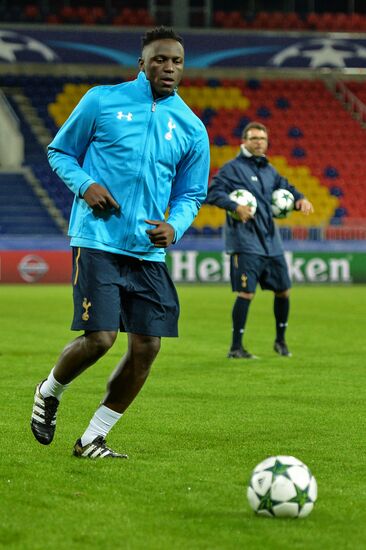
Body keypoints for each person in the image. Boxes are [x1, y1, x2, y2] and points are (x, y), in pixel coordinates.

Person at [30, 26, 210, 458]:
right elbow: (59, 152)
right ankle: (48, 391)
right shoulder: (101, 100)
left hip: (148, 250)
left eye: (177, 62)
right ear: (142, 63)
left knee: (147, 347)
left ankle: (93, 437)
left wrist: (176, 226)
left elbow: (191, 194)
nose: (169, 67)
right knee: (101, 338)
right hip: (98, 239)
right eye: (160, 59)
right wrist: (86, 185)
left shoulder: (191, 128)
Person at [206, 121, 313, 359]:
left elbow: (286, 187)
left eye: (262, 139)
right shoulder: (231, 169)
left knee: (284, 290)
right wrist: (234, 206)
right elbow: (212, 193)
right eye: (254, 138)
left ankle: (281, 342)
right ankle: (236, 347)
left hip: (271, 241)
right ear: (243, 141)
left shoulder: (269, 169)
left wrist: (299, 199)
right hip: (245, 241)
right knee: (246, 293)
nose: (258, 143)